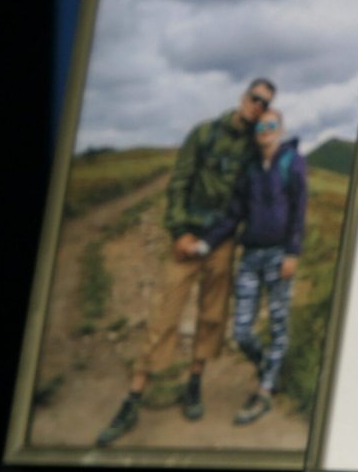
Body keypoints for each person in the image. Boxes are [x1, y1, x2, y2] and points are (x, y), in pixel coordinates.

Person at [96, 78, 274, 447]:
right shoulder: (205, 133)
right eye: (254, 98)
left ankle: (194, 384)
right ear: (243, 98)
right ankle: (134, 397)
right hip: (186, 238)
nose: (257, 106)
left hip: (220, 245)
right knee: (164, 314)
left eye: (264, 103)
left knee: (211, 317)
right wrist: (178, 231)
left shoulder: (253, 150)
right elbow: (179, 181)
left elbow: (249, 198)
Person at [194, 107, 307, 425]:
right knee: (241, 330)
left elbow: (299, 210)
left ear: (281, 129)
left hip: (278, 255)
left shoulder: (292, 162)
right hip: (251, 255)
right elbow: (233, 214)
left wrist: (292, 253)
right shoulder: (250, 170)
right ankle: (269, 367)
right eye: (260, 126)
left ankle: (265, 392)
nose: (266, 130)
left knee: (277, 323)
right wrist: (206, 243)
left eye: (271, 125)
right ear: (255, 133)